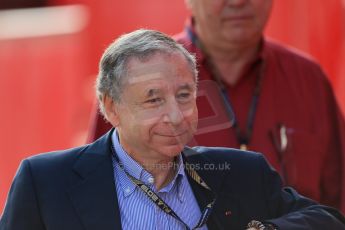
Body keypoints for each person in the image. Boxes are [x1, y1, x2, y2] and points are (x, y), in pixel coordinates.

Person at [1, 29, 345, 230]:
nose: (176, 116)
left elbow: (329, 220)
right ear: (110, 107)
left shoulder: (241, 172)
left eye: (184, 97)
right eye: (153, 100)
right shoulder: (45, 182)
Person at [87, 0, 345, 211]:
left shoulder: (308, 79)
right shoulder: (134, 78)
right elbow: (93, 200)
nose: (238, 2)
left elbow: (338, 201)